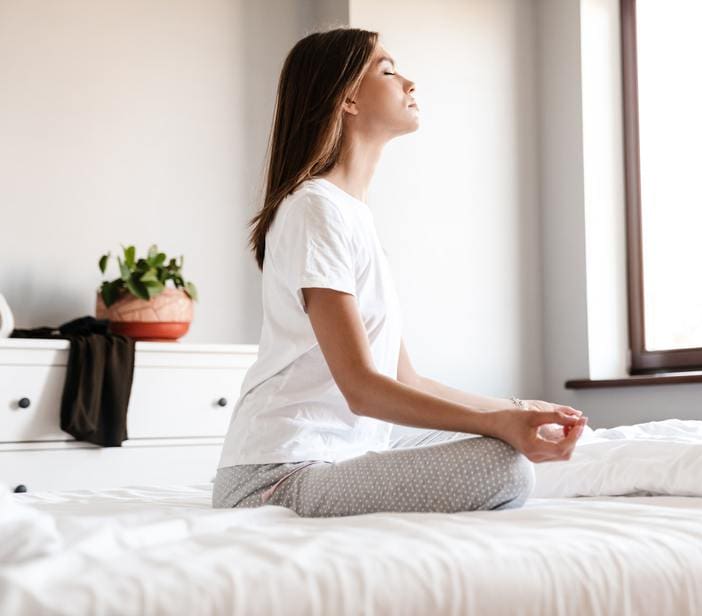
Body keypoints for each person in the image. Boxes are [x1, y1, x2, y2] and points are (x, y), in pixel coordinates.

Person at [212, 27, 588, 518]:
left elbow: (405, 378)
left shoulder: (350, 214)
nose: (409, 82)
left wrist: (513, 410)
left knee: (517, 437)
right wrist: (499, 423)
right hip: (277, 474)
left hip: (333, 458)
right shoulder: (313, 209)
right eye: (388, 70)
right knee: (503, 467)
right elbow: (363, 387)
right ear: (347, 97)